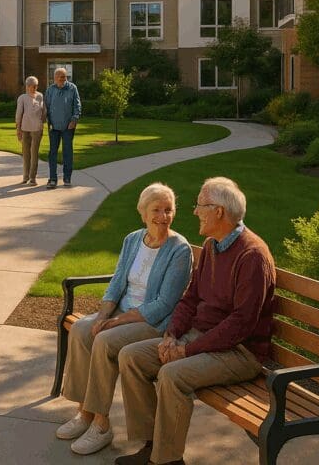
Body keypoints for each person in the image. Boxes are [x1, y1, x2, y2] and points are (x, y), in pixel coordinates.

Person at [115, 177, 276, 465]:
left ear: (219, 212)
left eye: (201, 205)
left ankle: (166, 460)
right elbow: (191, 298)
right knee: (131, 357)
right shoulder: (213, 245)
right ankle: (153, 446)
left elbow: (240, 324)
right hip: (203, 338)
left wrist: (187, 350)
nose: (195, 211)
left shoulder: (252, 256)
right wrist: (172, 334)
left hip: (240, 351)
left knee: (172, 375)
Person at [57, 183, 193, 456]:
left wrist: (116, 323)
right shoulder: (133, 239)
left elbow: (164, 303)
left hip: (153, 322)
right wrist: (104, 314)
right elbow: (118, 281)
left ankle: (101, 423)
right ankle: (84, 412)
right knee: (83, 329)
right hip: (121, 313)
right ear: (143, 213)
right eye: (156, 210)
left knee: (105, 340)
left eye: (169, 210)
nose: (163, 216)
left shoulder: (180, 250)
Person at [45, 67, 81, 188]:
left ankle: (67, 178)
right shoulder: (50, 90)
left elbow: (77, 105)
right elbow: (46, 107)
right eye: (60, 77)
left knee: (67, 152)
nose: (63, 79)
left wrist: (74, 119)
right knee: (53, 153)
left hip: (68, 126)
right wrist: (48, 122)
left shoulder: (72, 88)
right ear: (55, 78)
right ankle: (53, 178)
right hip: (54, 127)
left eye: (64, 76)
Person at [15, 76, 46, 185]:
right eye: (34, 86)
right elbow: (19, 114)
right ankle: (25, 177)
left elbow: (44, 111)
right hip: (25, 128)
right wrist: (18, 129)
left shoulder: (40, 96)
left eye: (36, 85)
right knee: (26, 154)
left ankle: (33, 178)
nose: (36, 87)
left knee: (34, 153)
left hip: (37, 129)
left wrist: (42, 122)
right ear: (27, 86)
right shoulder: (22, 98)